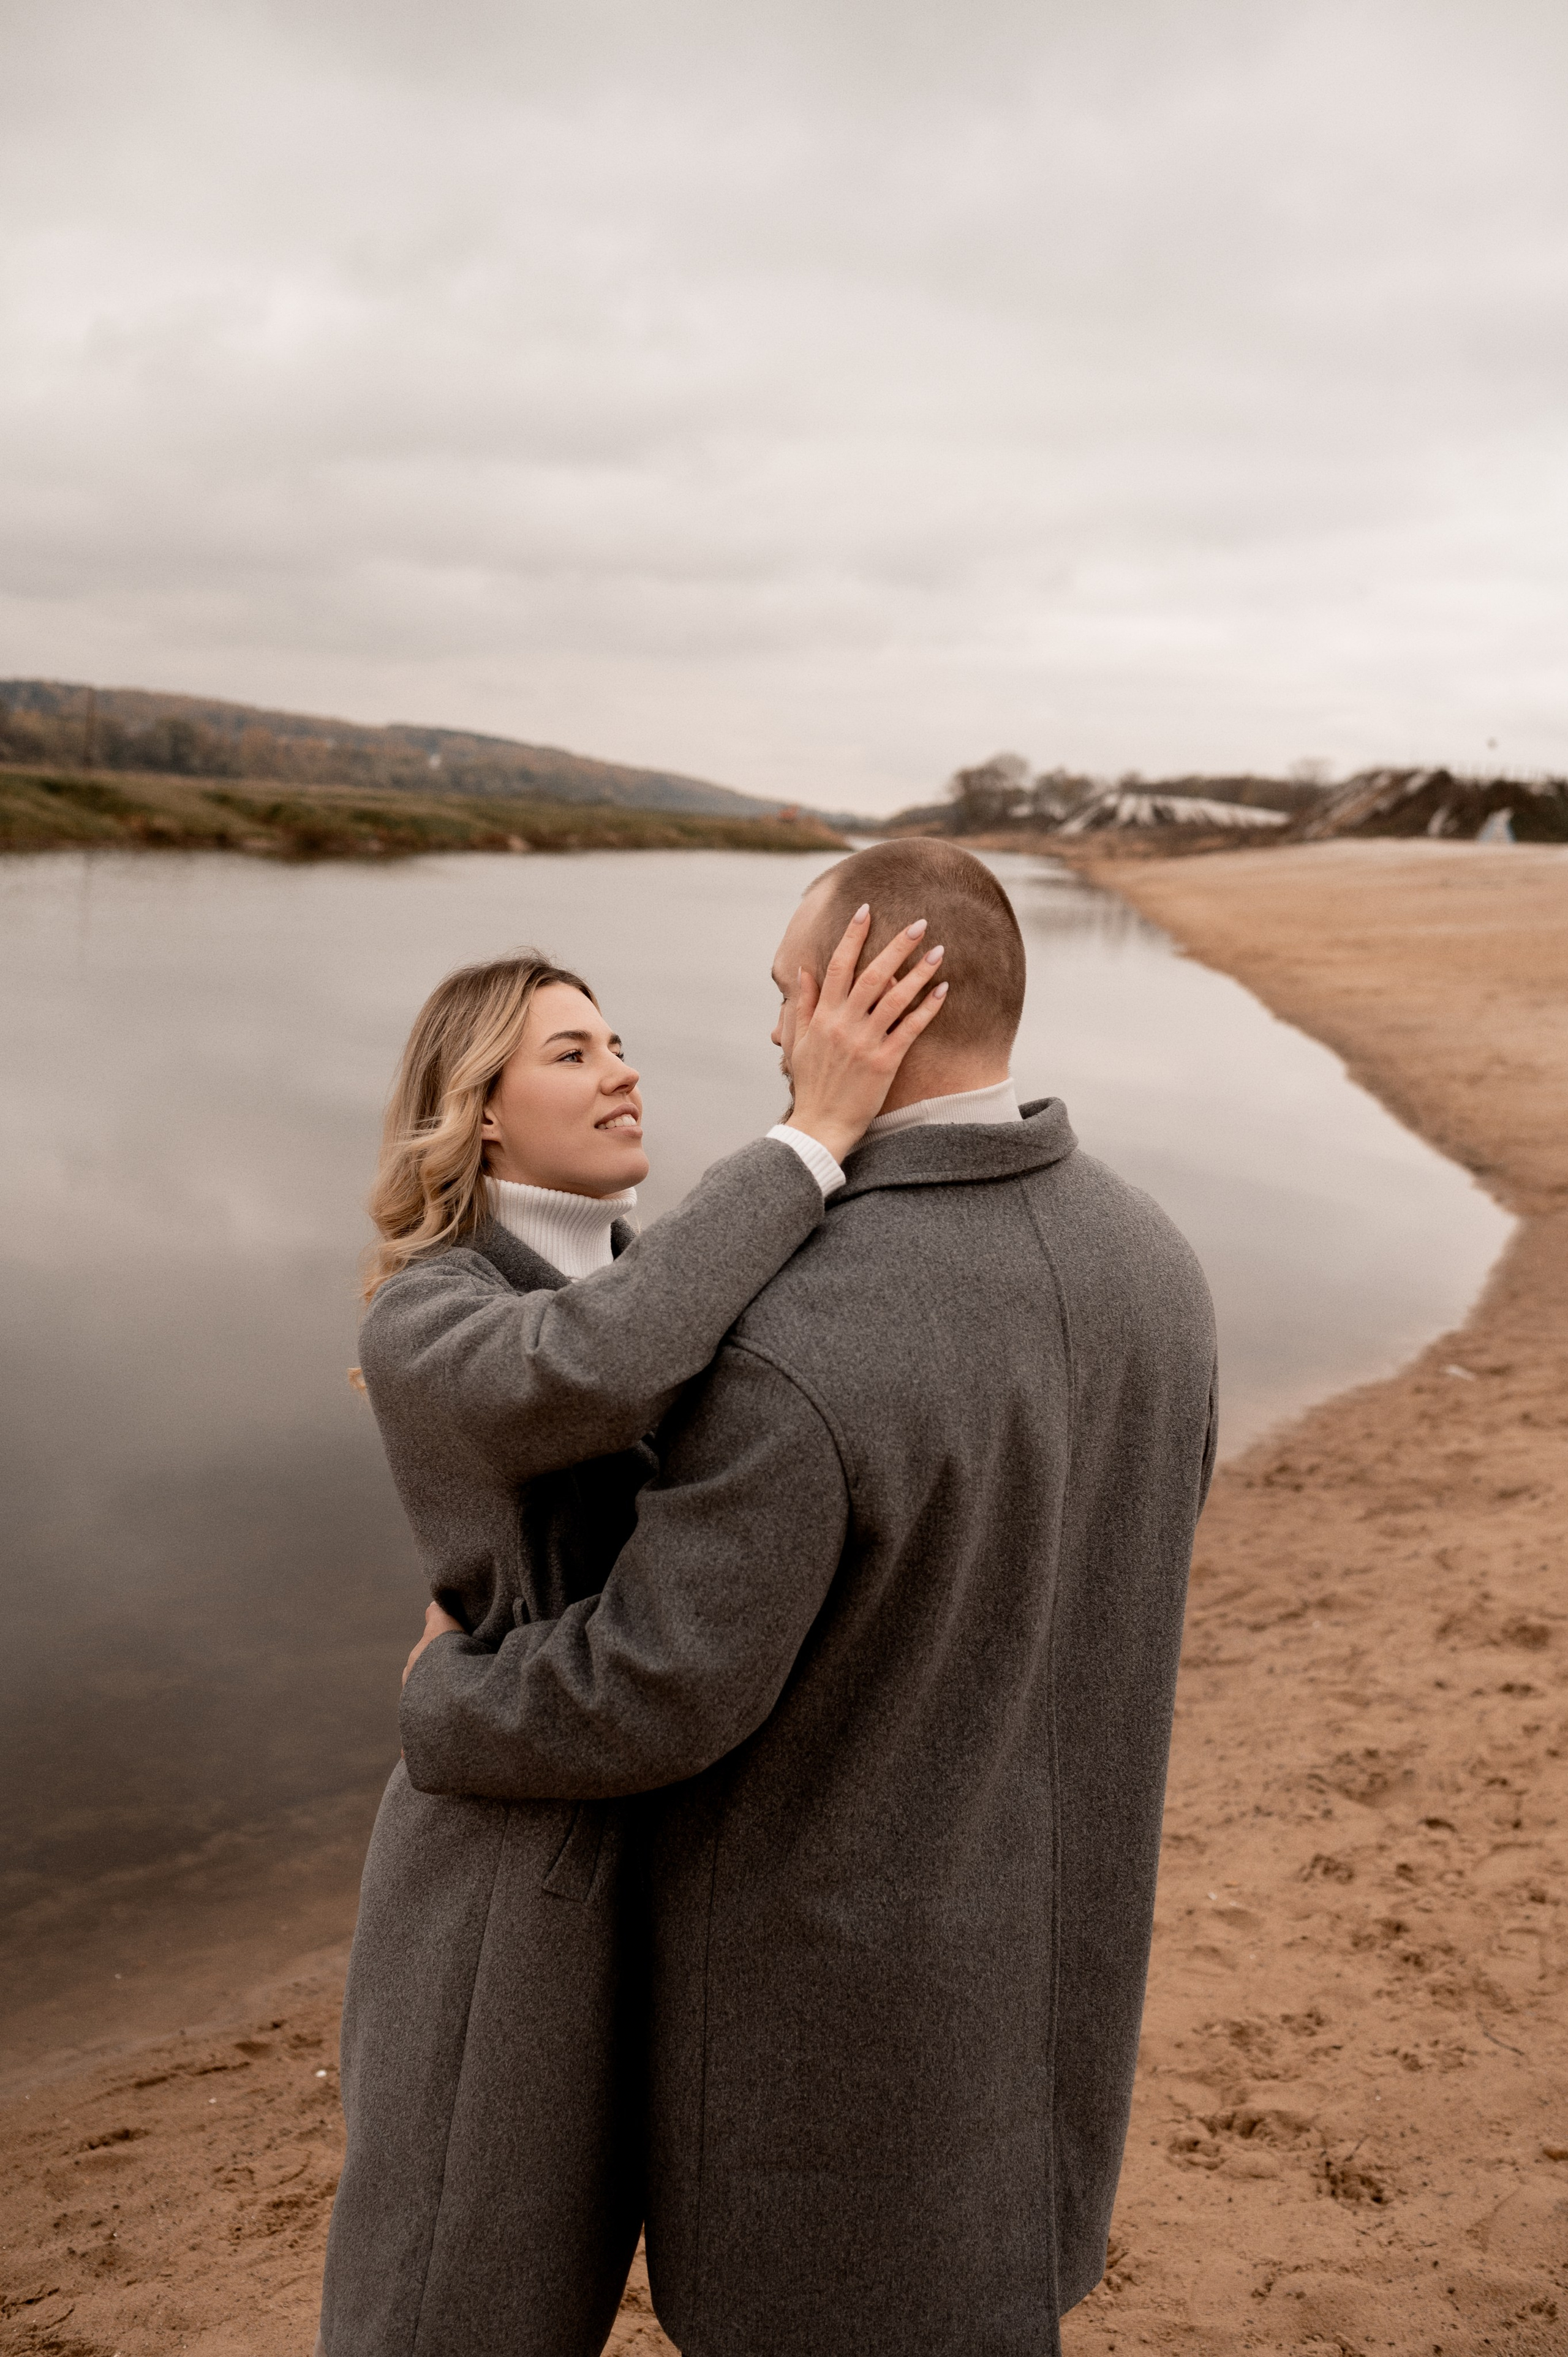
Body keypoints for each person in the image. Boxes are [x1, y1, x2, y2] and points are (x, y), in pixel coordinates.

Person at [399, 836, 1219, 2357]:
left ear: (870, 997)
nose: (776, 1032)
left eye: (788, 991)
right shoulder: (1157, 1267)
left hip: (830, 2070)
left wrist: (445, 1700)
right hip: (1051, 2012)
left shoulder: (795, 1334)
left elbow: (652, 1688)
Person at [314, 904, 949, 2357]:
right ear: (476, 1120)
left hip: (669, 1842)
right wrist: (811, 1135)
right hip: (505, 1863)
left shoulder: (663, 1274)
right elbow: (588, 1372)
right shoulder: (428, 1311)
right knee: (457, 2298)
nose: (622, 1072)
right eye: (571, 1051)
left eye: (622, 1041)